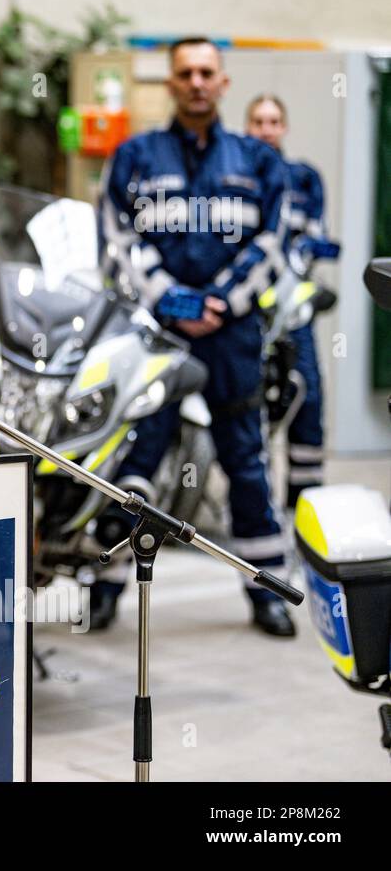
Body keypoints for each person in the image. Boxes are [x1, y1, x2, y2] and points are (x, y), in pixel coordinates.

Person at [92, 37, 295, 637]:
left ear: (224, 82)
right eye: (186, 73)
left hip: (231, 335)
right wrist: (168, 300)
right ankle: (103, 585)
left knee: (246, 458)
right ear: (171, 84)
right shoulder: (133, 156)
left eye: (208, 72)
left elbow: (273, 244)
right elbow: (117, 239)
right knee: (133, 457)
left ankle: (268, 591)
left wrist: (221, 302)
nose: (198, 82)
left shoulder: (258, 161)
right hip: (157, 333)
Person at [245, 93, 336, 507]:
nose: (266, 129)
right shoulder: (234, 178)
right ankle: (254, 506)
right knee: (249, 411)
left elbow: (317, 238)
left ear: (284, 127)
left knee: (306, 398)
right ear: (247, 127)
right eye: (259, 121)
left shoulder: (304, 178)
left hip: (291, 315)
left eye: (274, 121)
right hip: (244, 315)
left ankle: (304, 507)